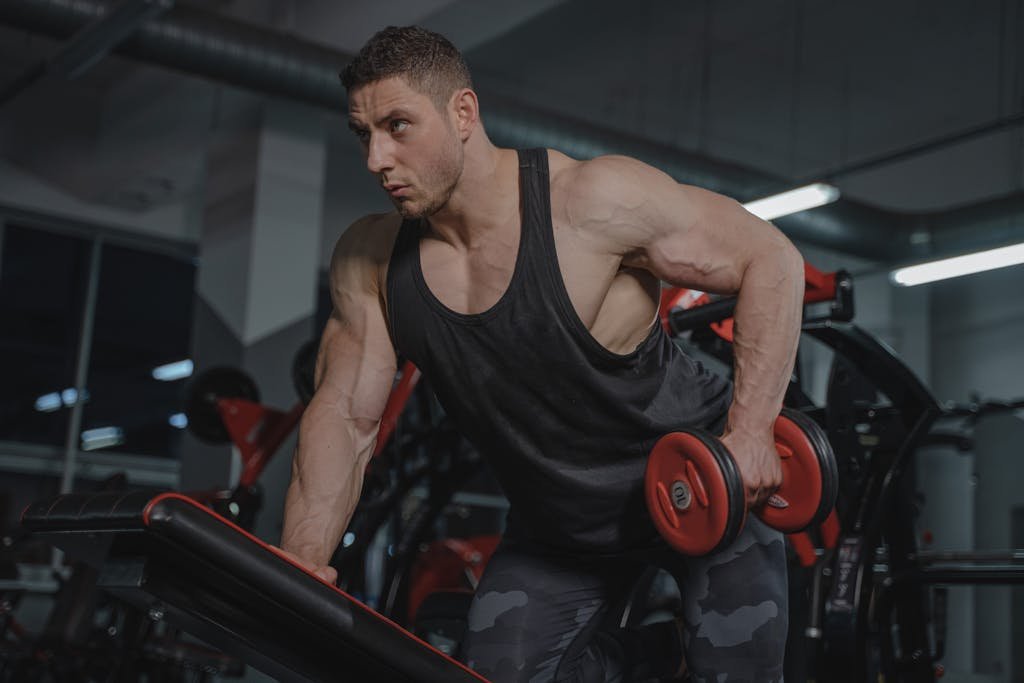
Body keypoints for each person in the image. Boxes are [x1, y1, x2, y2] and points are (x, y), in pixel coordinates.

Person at [279, 25, 804, 683]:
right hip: (561, 529)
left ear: (462, 113)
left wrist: (753, 429)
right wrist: (300, 562)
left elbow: (771, 256)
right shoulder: (374, 259)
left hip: (703, 493)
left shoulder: (587, 203)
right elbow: (346, 415)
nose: (376, 158)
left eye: (398, 126)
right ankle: (642, 659)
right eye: (364, 133)